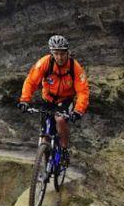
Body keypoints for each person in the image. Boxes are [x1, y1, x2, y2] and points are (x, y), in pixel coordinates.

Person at [17, 35, 89, 166]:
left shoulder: (75, 67)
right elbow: (31, 81)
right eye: (56, 54)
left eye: (62, 53)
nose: (59, 57)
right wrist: (24, 100)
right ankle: (45, 165)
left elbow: (82, 91)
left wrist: (78, 110)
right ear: (52, 53)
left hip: (65, 100)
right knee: (44, 135)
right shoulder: (45, 63)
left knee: (60, 119)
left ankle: (64, 149)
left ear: (67, 52)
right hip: (48, 100)